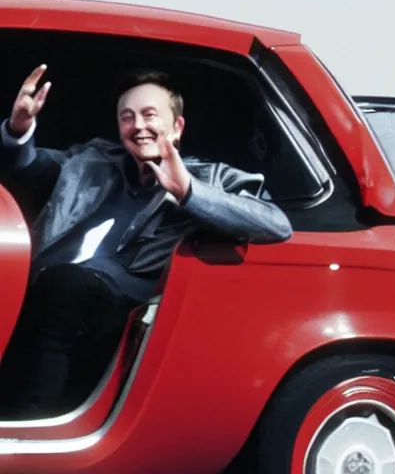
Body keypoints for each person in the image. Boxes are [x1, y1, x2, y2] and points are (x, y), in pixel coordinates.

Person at [0, 64, 292, 418]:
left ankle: (27, 436)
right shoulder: (93, 159)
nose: (138, 126)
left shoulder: (210, 177)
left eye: (150, 115)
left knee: (67, 285)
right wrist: (19, 128)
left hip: (117, 301)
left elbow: (275, 224)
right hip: (42, 286)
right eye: (127, 117)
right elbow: (30, 168)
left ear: (176, 126)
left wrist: (188, 191)